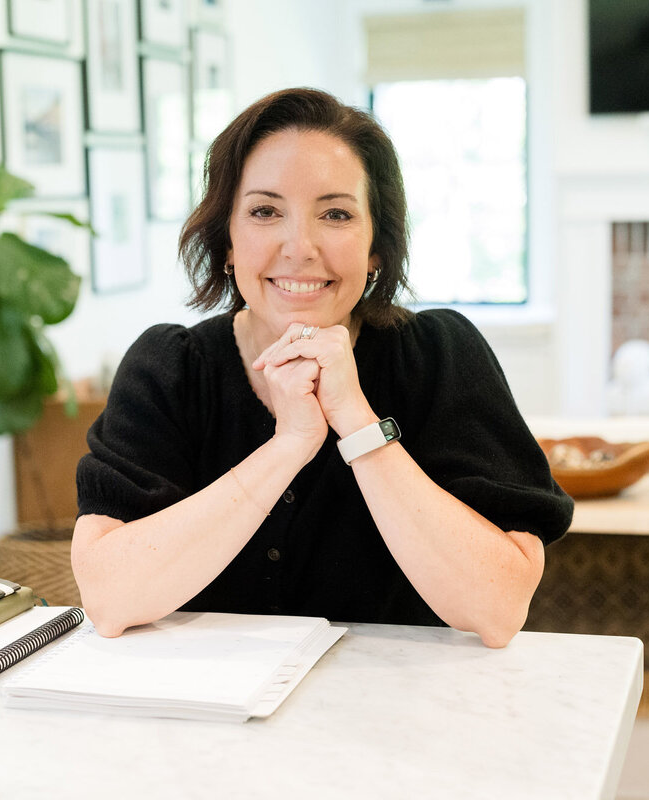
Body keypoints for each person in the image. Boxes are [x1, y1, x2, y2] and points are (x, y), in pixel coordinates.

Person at [72, 87, 572, 647]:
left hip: (406, 713)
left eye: (335, 213)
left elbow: (500, 608)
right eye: (265, 211)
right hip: (211, 720)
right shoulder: (170, 367)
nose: (300, 247)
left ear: (376, 246)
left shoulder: (439, 355)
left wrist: (356, 422)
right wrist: (290, 444)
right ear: (228, 241)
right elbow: (109, 598)